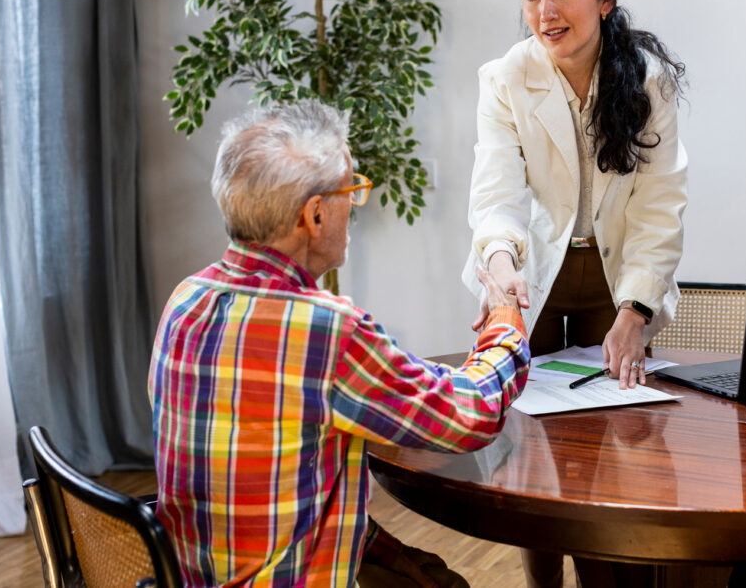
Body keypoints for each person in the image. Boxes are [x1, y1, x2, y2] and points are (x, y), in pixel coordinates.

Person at [148, 100, 530, 587]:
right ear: (314, 215)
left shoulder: (186, 299)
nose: (354, 203)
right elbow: (468, 416)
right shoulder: (322, 329)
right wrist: (506, 323)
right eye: (351, 189)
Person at [461, 0, 688, 588]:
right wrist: (499, 259)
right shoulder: (506, 76)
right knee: (530, 444)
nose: (544, 12)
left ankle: (611, 567)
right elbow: (496, 189)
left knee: (619, 441)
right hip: (530, 275)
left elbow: (659, 202)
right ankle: (543, 579)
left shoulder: (647, 79)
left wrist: (636, 308)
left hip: (615, 277)